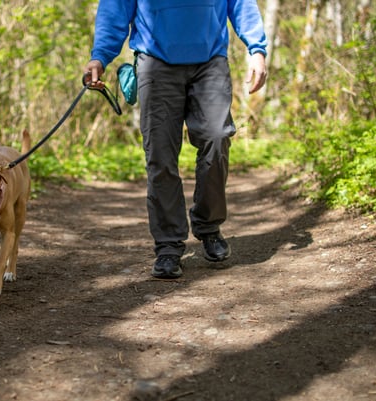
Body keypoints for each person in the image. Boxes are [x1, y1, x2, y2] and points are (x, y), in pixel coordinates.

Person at [84, 1, 268, 278]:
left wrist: (257, 49)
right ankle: (168, 244)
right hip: (155, 62)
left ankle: (208, 227)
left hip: (210, 62)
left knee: (217, 138)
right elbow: (115, 9)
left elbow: (241, 4)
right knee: (160, 154)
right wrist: (100, 57)